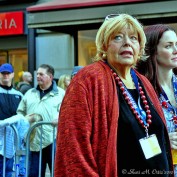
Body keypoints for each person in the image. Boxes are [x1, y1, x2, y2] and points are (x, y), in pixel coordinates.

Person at [54, 14, 174, 177]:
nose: (127, 43)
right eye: (117, 37)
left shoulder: (143, 82)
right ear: (104, 45)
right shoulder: (88, 80)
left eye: (133, 38)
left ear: (140, 46)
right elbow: (73, 149)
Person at [136, 24, 177, 176]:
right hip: (157, 169)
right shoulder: (140, 91)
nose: (176, 50)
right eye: (169, 46)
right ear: (152, 51)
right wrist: (163, 141)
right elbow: (131, 140)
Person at [16, 64, 65, 177]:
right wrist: (25, 120)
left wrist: (60, 118)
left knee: (57, 173)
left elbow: (68, 113)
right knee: (34, 174)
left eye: (41, 74)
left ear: (50, 77)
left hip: (54, 140)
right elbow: (20, 112)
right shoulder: (30, 93)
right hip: (34, 142)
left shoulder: (61, 94)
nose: (38, 76)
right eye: (37, 74)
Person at [0, 63, 23, 177]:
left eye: (8, 73)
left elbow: (22, 114)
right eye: (3, 73)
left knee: (9, 171)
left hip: (12, 140)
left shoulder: (19, 95)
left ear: (13, 74)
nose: (5, 76)